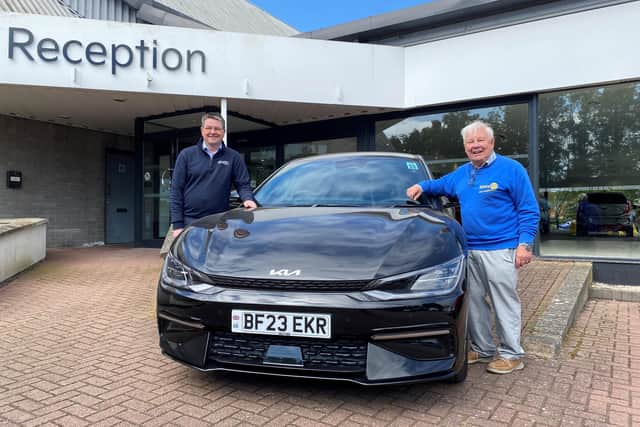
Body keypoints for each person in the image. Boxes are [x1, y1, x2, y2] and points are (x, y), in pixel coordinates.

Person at [406, 120, 539, 375]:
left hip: (502, 248)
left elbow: (528, 209)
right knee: (474, 302)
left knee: (504, 301)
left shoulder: (511, 169)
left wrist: (525, 245)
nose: (475, 145)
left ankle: (512, 354)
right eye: (470, 142)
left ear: (491, 143)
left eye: (480, 140)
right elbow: (439, 185)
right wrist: (421, 186)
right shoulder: (463, 173)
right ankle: (483, 348)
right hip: (470, 249)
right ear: (465, 146)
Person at [170, 112, 257, 238]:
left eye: (217, 128)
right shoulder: (186, 155)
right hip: (189, 221)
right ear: (201, 130)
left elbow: (243, 184)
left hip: (220, 222)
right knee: (186, 257)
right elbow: (176, 190)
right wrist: (177, 225)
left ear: (223, 131)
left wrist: (248, 199)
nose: (212, 132)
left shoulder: (234, 157)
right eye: (208, 128)